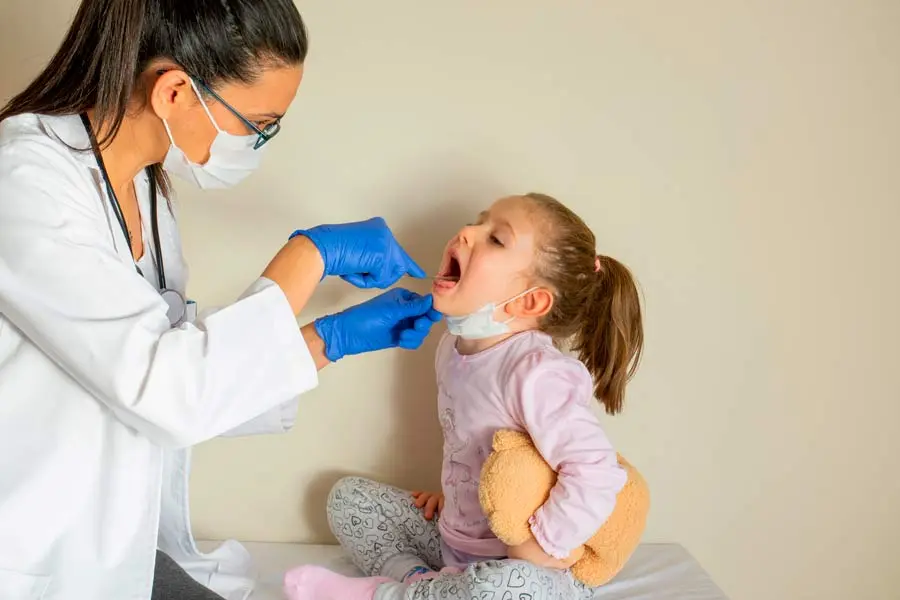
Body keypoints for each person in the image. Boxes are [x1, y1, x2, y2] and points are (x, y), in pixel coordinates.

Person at [0, 1, 442, 599]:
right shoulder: (25, 182)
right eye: (258, 124)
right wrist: (310, 256)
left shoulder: (143, 188)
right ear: (175, 92)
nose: (259, 143)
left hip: (107, 546)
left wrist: (328, 339)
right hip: (31, 550)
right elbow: (166, 390)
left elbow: (173, 363)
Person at [283, 193, 645, 600]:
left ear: (530, 301)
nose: (467, 232)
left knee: (502, 588)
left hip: (520, 566)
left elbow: (596, 471)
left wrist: (544, 543)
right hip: (455, 542)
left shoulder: (537, 372)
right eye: (478, 221)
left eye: (496, 238)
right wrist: (456, 498)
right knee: (348, 499)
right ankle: (422, 583)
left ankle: (383, 595)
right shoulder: (451, 348)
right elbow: (473, 447)